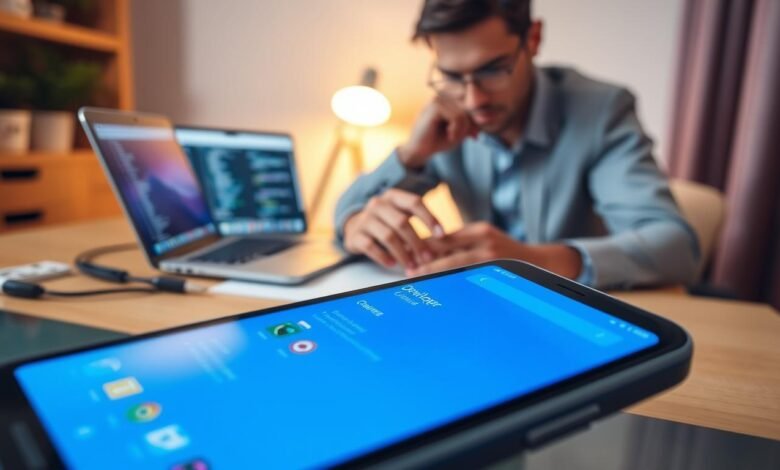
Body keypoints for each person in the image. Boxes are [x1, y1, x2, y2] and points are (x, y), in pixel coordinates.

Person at [334, 0, 699, 290]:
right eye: (452, 76)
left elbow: (676, 248)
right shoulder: (446, 119)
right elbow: (347, 215)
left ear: (534, 39)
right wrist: (410, 157)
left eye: (493, 69)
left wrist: (530, 260)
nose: (473, 100)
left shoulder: (602, 112)